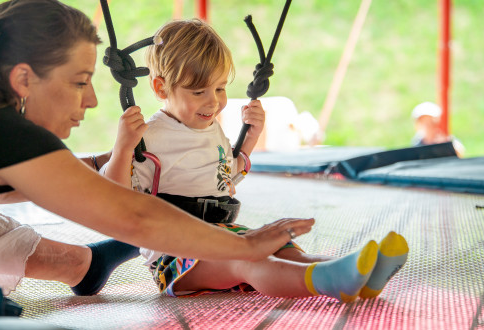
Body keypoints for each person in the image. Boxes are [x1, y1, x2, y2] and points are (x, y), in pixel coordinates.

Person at [0, 0, 315, 298]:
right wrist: (245, 247)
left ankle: (84, 266)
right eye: (78, 82)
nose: (91, 100)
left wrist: (100, 162)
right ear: (23, 79)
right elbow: (132, 215)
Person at [101, 18, 408, 302]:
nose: (214, 101)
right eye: (199, 92)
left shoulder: (211, 128)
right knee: (249, 262)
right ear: (161, 87)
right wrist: (123, 147)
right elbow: (113, 199)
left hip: (220, 233)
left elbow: (226, 177)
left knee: (281, 248)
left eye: (220, 88)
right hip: (176, 255)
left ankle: (355, 272)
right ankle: (328, 279)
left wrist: (250, 136)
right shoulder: (148, 137)